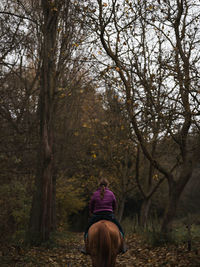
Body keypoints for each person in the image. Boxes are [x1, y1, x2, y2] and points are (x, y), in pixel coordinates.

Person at [81, 178, 127, 254]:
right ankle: (122, 246)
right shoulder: (111, 194)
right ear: (107, 185)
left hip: (97, 216)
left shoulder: (95, 194)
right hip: (109, 215)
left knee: (86, 231)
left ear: (99, 185)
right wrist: (112, 211)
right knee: (120, 230)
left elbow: (91, 206)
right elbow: (114, 205)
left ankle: (85, 247)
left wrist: (92, 212)